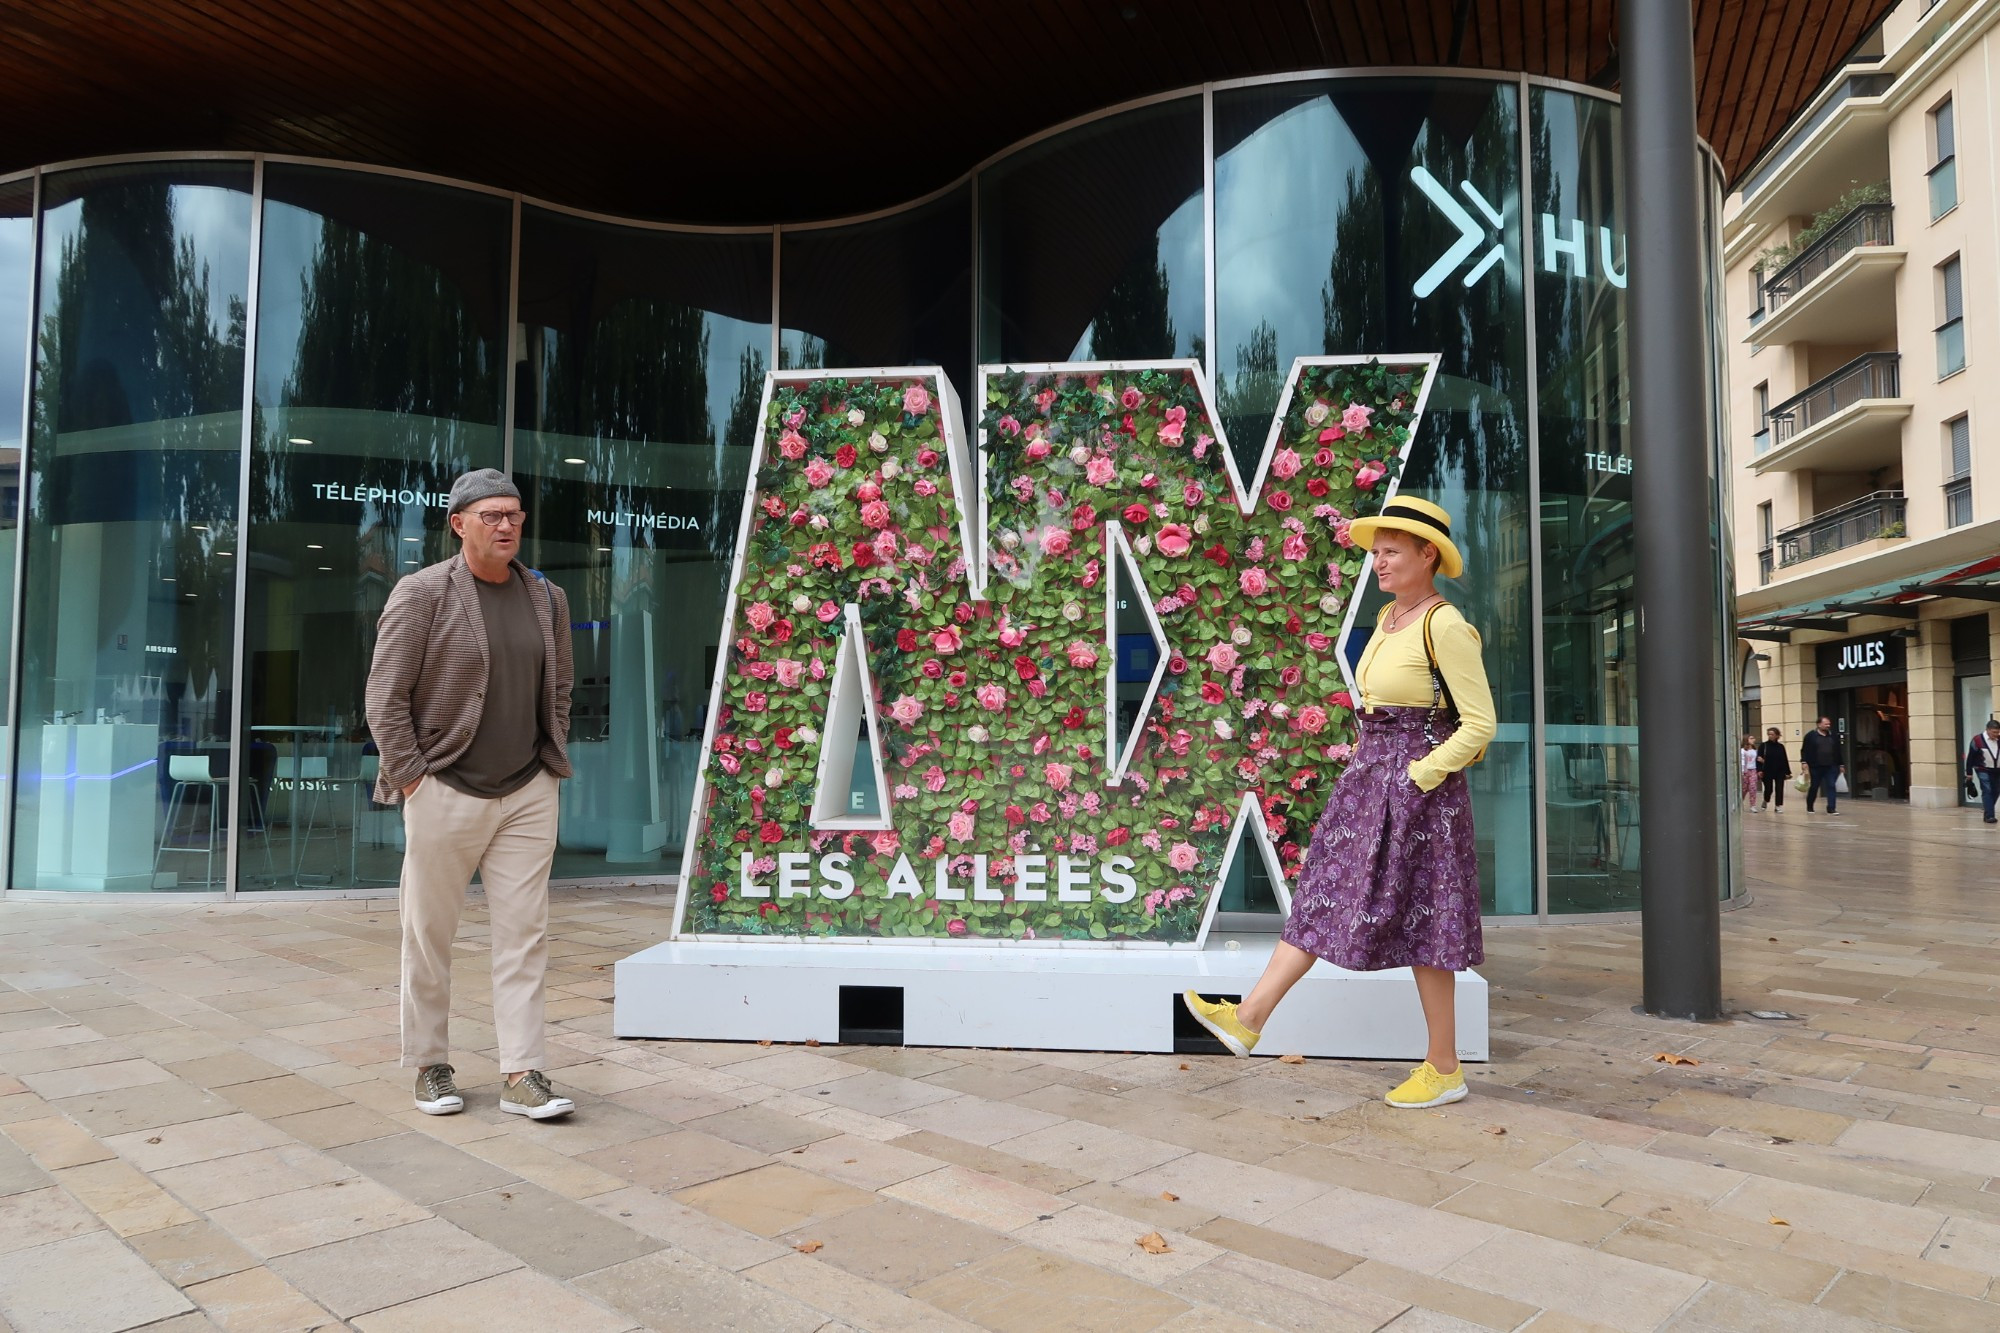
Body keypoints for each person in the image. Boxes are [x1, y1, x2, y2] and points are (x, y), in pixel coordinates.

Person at [1183, 497, 1495, 1109]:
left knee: (1428, 923)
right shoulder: (1389, 618)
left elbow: (1479, 725)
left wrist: (1415, 778)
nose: (1377, 562)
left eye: (1391, 552)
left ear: (1426, 554)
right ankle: (1250, 1016)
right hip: (1372, 777)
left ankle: (1443, 1068)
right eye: (1375, 552)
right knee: (1324, 887)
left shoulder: (1445, 625)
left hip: (1418, 789)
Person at [365, 468, 577, 1121]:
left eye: (514, 514)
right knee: (429, 932)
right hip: (444, 786)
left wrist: (549, 759)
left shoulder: (547, 596)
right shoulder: (423, 591)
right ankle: (432, 1065)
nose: (507, 524)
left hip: (527, 790)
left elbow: (560, 686)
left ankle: (523, 1071)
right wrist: (413, 779)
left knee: (525, 934)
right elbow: (385, 696)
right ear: (458, 523)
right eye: (491, 515)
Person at [1800, 716, 1844, 815]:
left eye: (1829, 724)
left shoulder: (1833, 736)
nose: (1828, 726)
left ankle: (1831, 808)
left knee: (1831, 786)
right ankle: (1810, 805)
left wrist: (1841, 764)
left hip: (1831, 766)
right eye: (1826, 724)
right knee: (1815, 786)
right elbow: (1804, 750)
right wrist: (1804, 762)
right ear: (1819, 724)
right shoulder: (1811, 736)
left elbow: (1838, 751)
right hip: (1816, 766)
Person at [1967, 718, 2000, 825]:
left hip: (1997, 769)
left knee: (1996, 791)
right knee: (1987, 790)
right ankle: (1990, 816)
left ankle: (1987, 811)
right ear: (1988, 730)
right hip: (1982, 769)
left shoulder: (1999, 739)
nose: (1996, 734)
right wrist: (1969, 773)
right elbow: (1970, 757)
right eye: (1994, 732)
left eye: (1998, 732)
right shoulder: (1977, 740)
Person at [1757, 726, 1790, 812]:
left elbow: (1784, 759)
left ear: (1777, 735)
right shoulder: (1763, 746)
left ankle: (1778, 805)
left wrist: (1787, 772)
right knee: (1769, 789)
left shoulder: (1781, 747)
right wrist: (1759, 770)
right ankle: (1766, 800)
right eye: (1769, 734)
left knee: (1779, 788)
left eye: (1772, 734)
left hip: (1779, 770)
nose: (1770, 736)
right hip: (1767, 770)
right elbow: (1758, 759)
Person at [1739, 735, 1759, 811]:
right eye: (1751, 738)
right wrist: (1742, 771)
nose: (1753, 739)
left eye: (1753, 738)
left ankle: (1753, 805)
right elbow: (1742, 761)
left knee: (1753, 787)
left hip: (1753, 770)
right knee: (1744, 789)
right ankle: (1740, 802)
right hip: (1745, 771)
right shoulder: (1742, 751)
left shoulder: (1755, 750)